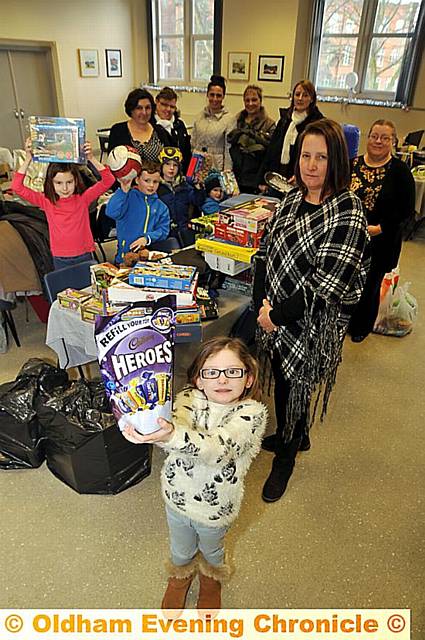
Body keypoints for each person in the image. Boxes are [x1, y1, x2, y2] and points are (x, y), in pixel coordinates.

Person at [253, 119, 369, 503]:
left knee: (295, 385)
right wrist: (262, 305)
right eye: (306, 155)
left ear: (336, 160)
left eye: (321, 157)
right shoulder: (290, 197)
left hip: (313, 321)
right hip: (277, 312)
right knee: (285, 382)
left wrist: (276, 315)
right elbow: (267, 251)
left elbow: (326, 284)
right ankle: (296, 433)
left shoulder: (348, 209)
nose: (312, 165)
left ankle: (286, 455)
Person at [121, 336, 267, 612]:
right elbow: (169, 429)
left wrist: (172, 435)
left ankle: (211, 580)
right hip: (176, 497)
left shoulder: (251, 414)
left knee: (212, 551)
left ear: (248, 378)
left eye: (232, 372)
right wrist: (145, 425)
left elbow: (217, 449)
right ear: (199, 379)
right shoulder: (187, 398)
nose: (222, 380)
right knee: (180, 549)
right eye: (211, 372)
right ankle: (180, 578)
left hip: (216, 510)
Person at [348, 119, 416, 343]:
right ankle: (342, 320)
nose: (378, 141)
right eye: (374, 135)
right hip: (350, 238)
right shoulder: (353, 164)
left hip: (380, 242)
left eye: (384, 137)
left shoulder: (400, 171)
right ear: (367, 138)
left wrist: (381, 228)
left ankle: (360, 327)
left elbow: (407, 210)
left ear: (393, 142)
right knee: (347, 280)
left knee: (369, 286)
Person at [11, 138, 114, 270]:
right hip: (60, 257)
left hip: (84, 254)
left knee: (87, 289)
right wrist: (28, 159)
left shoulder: (83, 199)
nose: (65, 188)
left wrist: (91, 158)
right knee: (64, 290)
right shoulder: (47, 201)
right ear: (51, 183)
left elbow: (109, 180)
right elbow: (16, 186)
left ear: (76, 181)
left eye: (69, 182)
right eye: (58, 183)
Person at [257, 79, 323, 189]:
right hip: (278, 178)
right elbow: (272, 150)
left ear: (312, 99)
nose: (300, 98)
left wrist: (301, 176)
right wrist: (262, 179)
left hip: (301, 180)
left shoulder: (317, 123)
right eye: (297, 94)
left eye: (305, 95)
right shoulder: (285, 119)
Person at [105, 160, 170, 264]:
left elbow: (163, 230)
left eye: (155, 182)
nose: (151, 185)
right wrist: (122, 192)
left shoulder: (162, 207)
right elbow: (111, 212)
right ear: (137, 179)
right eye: (147, 180)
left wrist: (147, 238)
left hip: (148, 259)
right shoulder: (127, 197)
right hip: (124, 259)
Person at [228, 84, 276, 194]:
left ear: (260, 100)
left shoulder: (269, 124)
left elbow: (272, 155)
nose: (250, 104)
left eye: (254, 100)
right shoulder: (236, 121)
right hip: (236, 178)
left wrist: (264, 181)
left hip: (257, 180)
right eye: (247, 100)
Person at [157, 146, 203, 247]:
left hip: (184, 231)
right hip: (164, 233)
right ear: (161, 166)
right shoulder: (155, 187)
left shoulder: (185, 185)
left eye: (175, 165)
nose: (171, 168)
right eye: (167, 164)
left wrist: (198, 188)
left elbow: (198, 202)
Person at [108, 88, 170, 163]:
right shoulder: (118, 131)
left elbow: (169, 161)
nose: (144, 112)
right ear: (131, 109)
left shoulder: (160, 131)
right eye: (139, 108)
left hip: (157, 174)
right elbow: (112, 161)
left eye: (147, 108)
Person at [191, 75, 235, 171]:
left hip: (216, 167)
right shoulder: (199, 116)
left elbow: (229, 151)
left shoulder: (229, 119)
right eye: (212, 94)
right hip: (196, 166)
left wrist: (227, 173)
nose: (215, 99)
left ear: (223, 96)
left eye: (218, 95)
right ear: (207, 94)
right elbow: (193, 143)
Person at [154, 87, 192, 173]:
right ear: (156, 102)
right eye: (164, 105)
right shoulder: (150, 126)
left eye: (172, 106)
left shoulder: (180, 125)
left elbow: (187, 153)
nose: (168, 109)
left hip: (180, 176)